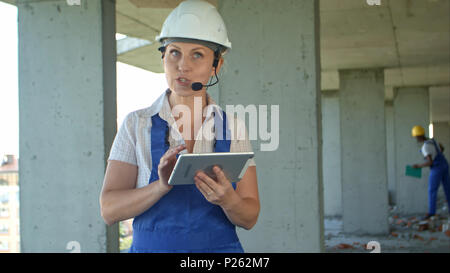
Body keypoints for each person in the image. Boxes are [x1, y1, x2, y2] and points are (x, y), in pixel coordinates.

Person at [99, 0, 260, 253]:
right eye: (174, 52)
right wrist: (160, 187)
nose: (183, 66)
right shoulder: (136, 124)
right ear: (163, 56)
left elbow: (249, 217)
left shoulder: (233, 127)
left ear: (216, 65)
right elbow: (109, 210)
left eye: (197, 54)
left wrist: (229, 200)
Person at [411, 125, 450, 220]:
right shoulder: (433, 141)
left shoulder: (425, 147)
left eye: (415, 137)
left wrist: (418, 166)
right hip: (444, 164)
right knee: (448, 188)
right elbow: (441, 149)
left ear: (418, 136)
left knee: (432, 190)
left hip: (437, 168)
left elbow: (430, 162)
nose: (416, 139)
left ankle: (431, 213)